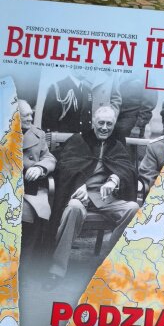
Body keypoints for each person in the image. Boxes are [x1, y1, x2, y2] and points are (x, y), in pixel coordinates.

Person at [44, 105, 138, 286]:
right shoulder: (78, 141)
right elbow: (64, 167)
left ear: (114, 125)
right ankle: (56, 270)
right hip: (81, 197)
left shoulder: (117, 145)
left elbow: (127, 169)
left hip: (107, 199)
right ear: (93, 122)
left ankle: (106, 263)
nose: (104, 127)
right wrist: (79, 184)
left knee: (133, 209)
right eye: (101, 123)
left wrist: (114, 180)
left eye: (109, 124)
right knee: (73, 208)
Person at [19, 99, 56, 256]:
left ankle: (25, 264)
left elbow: (49, 157)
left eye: (31, 114)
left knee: (32, 214)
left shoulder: (38, 134)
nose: (30, 118)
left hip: (30, 188)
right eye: (25, 116)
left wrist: (40, 168)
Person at [42, 69, 121, 133]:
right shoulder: (58, 87)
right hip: (65, 136)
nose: (85, 68)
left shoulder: (87, 90)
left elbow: (115, 98)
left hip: (97, 126)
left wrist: (109, 117)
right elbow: (49, 120)